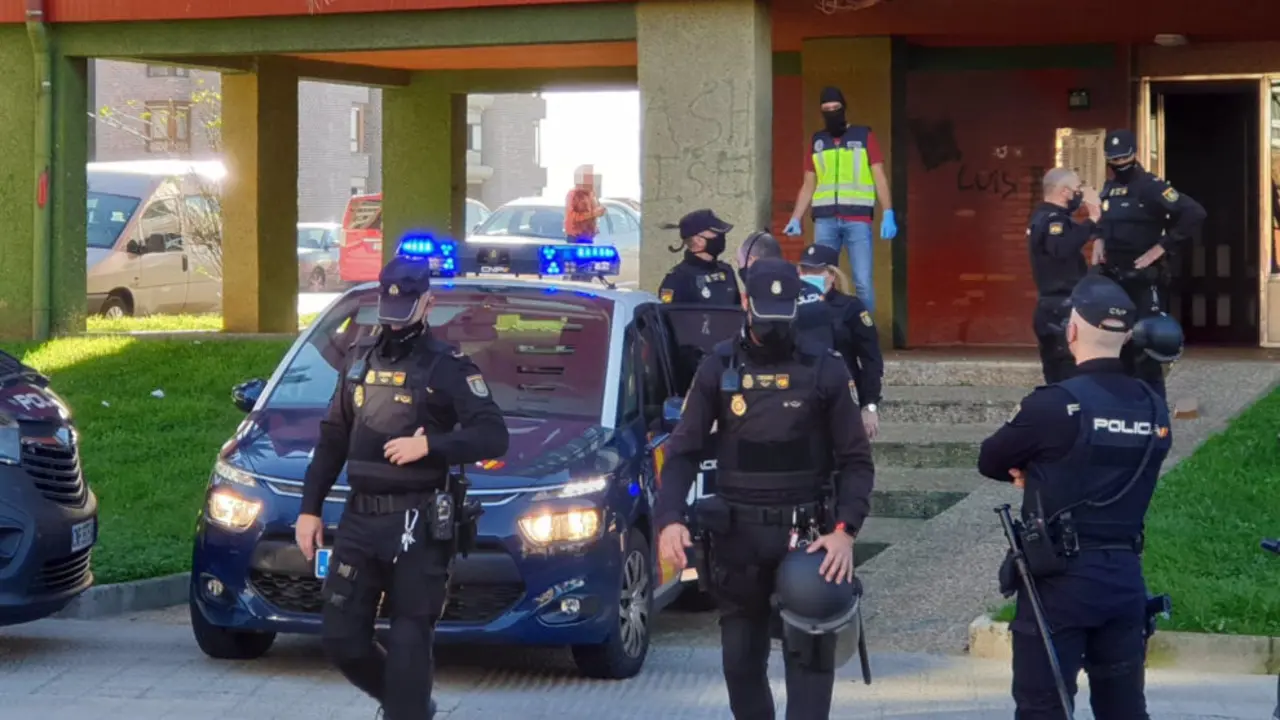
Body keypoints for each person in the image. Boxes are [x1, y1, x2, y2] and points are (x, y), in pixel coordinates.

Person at [654, 257, 875, 720]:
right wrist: (670, 518)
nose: (774, 323)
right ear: (745, 302)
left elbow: (856, 461)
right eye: (765, 311)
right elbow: (683, 451)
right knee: (740, 661)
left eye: (783, 311)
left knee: (809, 659)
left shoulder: (826, 368)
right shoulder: (718, 366)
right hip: (738, 537)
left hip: (809, 536)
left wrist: (845, 531)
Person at [296, 253, 511, 720]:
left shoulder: (447, 366)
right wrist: (309, 508)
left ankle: (406, 710)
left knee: (410, 641)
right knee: (341, 637)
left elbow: (494, 436)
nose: (395, 321)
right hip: (360, 518)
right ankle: (408, 707)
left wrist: (430, 445)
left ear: (428, 303)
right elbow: (333, 438)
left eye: (406, 309)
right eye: (389, 308)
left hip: (417, 520)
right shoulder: (358, 359)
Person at [977, 274, 1173, 720]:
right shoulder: (1153, 407)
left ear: (1071, 331)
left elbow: (991, 459)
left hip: (1059, 583)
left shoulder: (1054, 404)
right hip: (1124, 578)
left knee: (1043, 708)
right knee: (1124, 710)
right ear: (1127, 336)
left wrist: (1037, 472)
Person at [1095, 128, 1206, 401]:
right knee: (1117, 350)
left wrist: (1162, 247)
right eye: (1113, 159)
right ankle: (1126, 408)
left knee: (1147, 351)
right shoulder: (1109, 188)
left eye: (1123, 158)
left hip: (1144, 280)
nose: (1119, 164)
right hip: (1115, 280)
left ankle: (1154, 411)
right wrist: (1098, 240)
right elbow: (1105, 222)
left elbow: (1194, 213)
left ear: (1134, 154)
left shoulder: (1151, 186)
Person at [782, 86, 897, 314]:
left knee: (862, 281)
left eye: (836, 108)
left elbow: (879, 177)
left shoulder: (863, 136)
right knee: (819, 278)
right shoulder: (818, 141)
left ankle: (865, 330)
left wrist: (888, 212)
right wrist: (795, 217)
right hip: (825, 219)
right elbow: (808, 184)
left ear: (844, 108)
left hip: (857, 219)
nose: (832, 113)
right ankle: (823, 327)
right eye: (826, 110)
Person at [797, 243, 884, 440]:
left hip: (842, 395)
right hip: (802, 396)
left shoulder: (850, 307)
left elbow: (871, 359)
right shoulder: (790, 306)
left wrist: (869, 405)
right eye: (805, 270)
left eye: (817, 271)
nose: (809, 275)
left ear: (832, 275)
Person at [1027, 167, 1101, 384]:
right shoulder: (1053, 220)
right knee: (1068, 373)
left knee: (1057, 375)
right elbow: (1061, 248)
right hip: (1060, 308)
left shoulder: (1042, 216)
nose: (1080, 194)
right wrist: (1092, 219)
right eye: (1077, 188)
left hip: (1053, 307)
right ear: (1065, 192)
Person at [658, 208, 741, 306]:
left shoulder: (726, 271)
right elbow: (666, 313)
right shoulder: (676, 279)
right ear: (698, 240)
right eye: (715, 232)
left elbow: (737, 311)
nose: (721, 236)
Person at [564, 164, 604, 244]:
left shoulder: (591, 194)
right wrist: (592, 214)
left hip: (589, 237)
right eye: (588, 176)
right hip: (576, 237)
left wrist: (600, 212)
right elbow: (572, 217)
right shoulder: (573, 194)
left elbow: (595, 212)